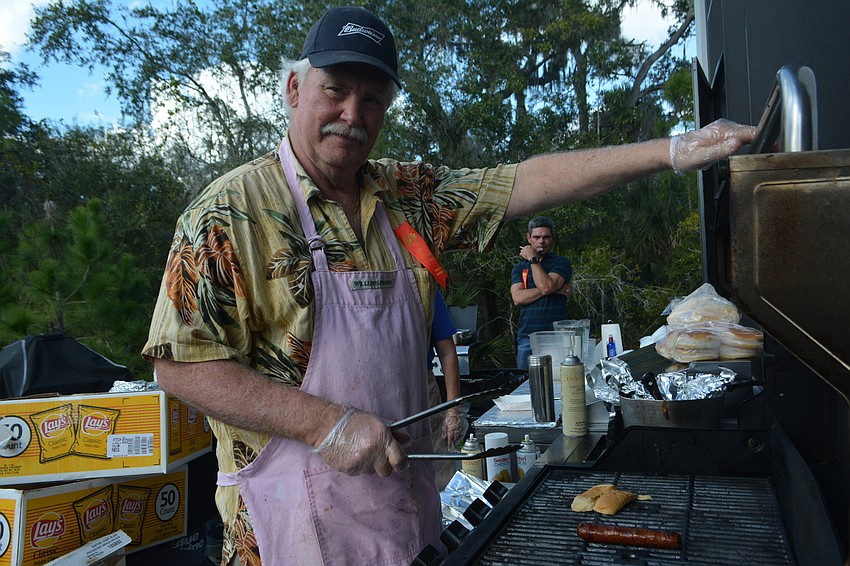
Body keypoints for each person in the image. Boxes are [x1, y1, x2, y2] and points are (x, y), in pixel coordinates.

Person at [142, 6, 756, 565]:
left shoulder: (405, 196)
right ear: (295, 87)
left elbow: (521, 183)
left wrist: (673, 149)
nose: (352, 116)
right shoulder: (231, 212)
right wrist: (323, 424)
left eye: (373, 100)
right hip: (289, 536)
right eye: (335, 91)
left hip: (404, 524)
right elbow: (179, 367)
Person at [510, 216, 573, 370]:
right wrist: (554, 289)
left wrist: (533, 259)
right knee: (524, 385)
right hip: (527, 337)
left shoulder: (561, 262)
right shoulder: (519, 268)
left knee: (556, 383)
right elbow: (518, 298)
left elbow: (545, 286)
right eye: (537, 237)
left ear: (553, 239)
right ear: (528, 238)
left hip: (555, 337)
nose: (541, 241)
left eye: (546, 237)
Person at [427, 289, 464, 488]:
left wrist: (452, 410)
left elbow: (447, 351)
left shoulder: (423, 284)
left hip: (423, 388)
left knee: (440, 475)